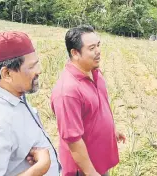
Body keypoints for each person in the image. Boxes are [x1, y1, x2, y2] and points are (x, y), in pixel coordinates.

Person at [0, 31, 60, 176]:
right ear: (6, 74)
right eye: (31, 67)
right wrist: (40, 169)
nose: (39, 71)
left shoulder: (12, 92)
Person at [51, 25, 126, 176]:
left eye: (98, 45)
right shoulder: (68, 91)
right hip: (84, 169)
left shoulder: (95, 73)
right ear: (75, 53)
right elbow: (73, 140)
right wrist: (91, 172)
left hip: (99, 160)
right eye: (91, 48)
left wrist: (111, 130)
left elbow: (97, 110)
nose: (98, 51)